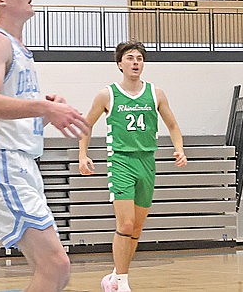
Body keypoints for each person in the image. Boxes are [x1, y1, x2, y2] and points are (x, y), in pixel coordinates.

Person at [0, 0, 89, 292]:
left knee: (56, 271)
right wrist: (44, 107)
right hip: (1, 162)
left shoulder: (18, 49)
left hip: (20, 161)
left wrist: (45, 113)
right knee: (54, 267)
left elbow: (6, 115)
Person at [79, 41, 187, 292]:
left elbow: (172, 125)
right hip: (121, 161)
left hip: (147, 161)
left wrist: (179, 148)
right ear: (120, 63)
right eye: (130, 58)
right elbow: (86, 124)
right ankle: (123, 283)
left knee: (137, 228)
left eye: (139, 58)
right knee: (125, 224)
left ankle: (115, 277)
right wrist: (82, 155)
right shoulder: (107, 94)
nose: (135, 62)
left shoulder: (155, 93)